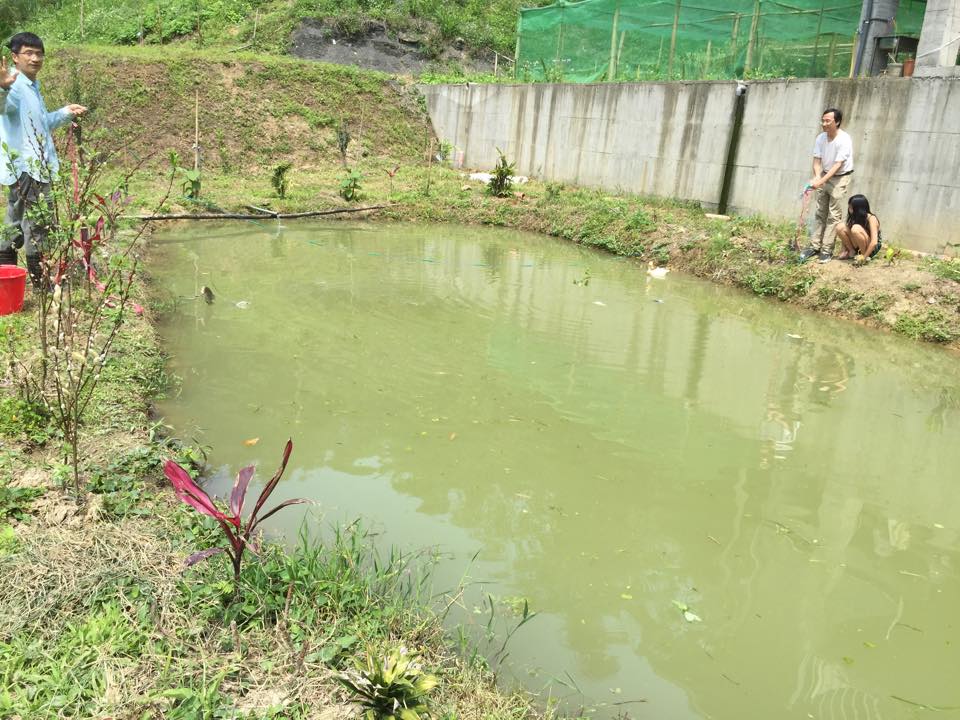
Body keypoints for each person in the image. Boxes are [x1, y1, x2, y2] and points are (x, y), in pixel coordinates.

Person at [0, 32, 87, 286]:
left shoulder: (31, 86)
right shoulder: (15, 86)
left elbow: (41, 123)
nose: (35, 58)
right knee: (37, 226)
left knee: (14, 224)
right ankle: (41, 284)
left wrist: (65, 113)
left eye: (39, 53)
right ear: (15, 57)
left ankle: (6, 277)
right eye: (28, 53)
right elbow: (3, 107)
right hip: (29, 168)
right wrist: (3, 88)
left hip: (24, 168)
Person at [799, 107, 854, 264]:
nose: (824, 124)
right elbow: (817, 160)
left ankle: (826, 250)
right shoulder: (821, 138)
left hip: (840, 177)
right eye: (822, 121)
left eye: (828, 121)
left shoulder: (844, 139)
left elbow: (838, 165)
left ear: (837, 122)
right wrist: (817, 176)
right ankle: (814, 246)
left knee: (833, 215)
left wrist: (821, 181)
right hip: (824, 174)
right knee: (820, 211)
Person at [836, 194, 882, 262]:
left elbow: (874, 242)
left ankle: (863, 256)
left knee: (855, 228)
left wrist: (864, 257)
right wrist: (843, 250)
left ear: (858, 208)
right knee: (840, 227)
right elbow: (846, 236)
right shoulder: (855, 217)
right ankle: (852, 252)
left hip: (870, 248)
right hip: (857, 245)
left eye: (851, 207)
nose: (849, 209)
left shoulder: (871, 218)